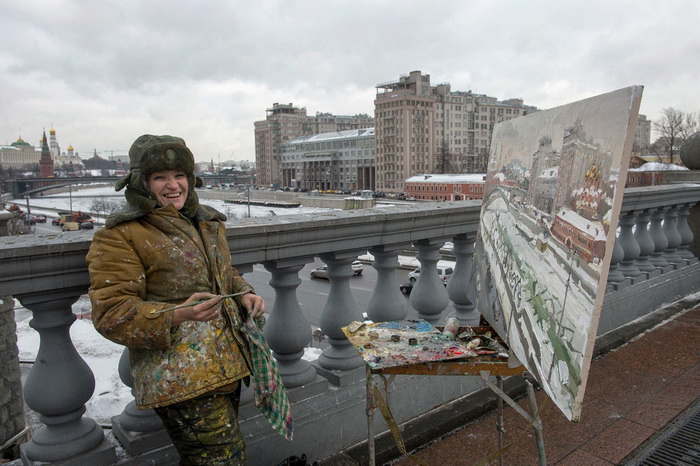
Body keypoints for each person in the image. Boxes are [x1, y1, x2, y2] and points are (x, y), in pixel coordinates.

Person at [86, 134, 292, 465]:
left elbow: (224, 276)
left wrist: (244, 294)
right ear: (142, 182)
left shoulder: (207, 222)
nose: (173, 185)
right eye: (160, 177)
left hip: (226, 365)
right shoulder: (120, 236)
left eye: (179, 175)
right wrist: (179, 314)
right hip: (181, 379)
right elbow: (111, 314)